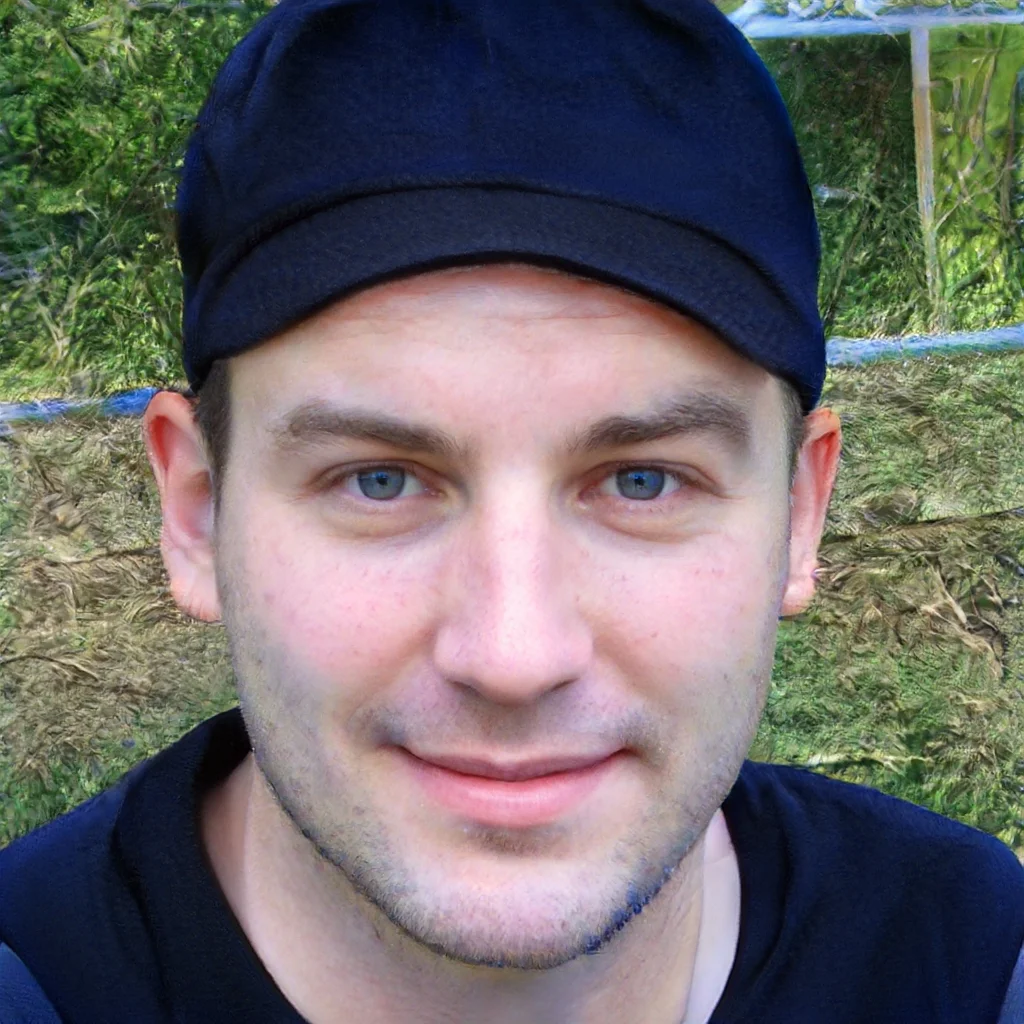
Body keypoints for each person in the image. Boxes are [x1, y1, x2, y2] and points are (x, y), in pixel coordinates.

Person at [1, 1, 1022, 1021]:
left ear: (798, 516)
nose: (513, 654)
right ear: (196, 513)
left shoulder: (970, 965)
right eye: (379, 480)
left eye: (642, 480)